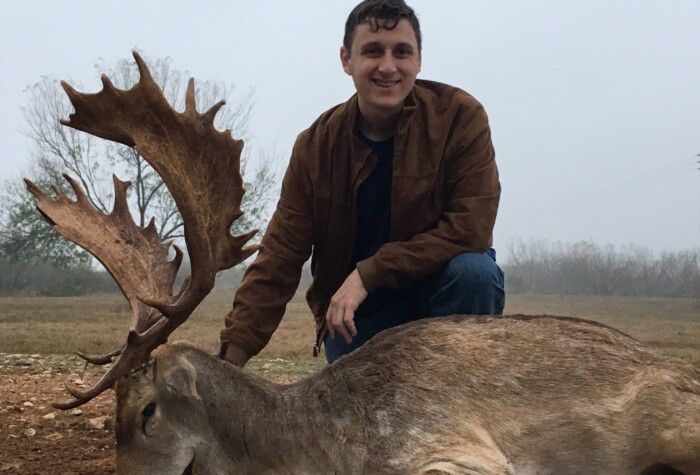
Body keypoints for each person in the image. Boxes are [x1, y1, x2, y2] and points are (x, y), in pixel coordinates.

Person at [220, 0, 504, 366]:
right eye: (372, 51)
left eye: (401, 52)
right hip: (356, 317)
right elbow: (279, 259)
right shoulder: (314, 147)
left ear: (418, 60)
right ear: (346, 60)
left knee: (475, 273)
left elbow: (471, 230)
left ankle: (465, 392)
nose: (388, 67)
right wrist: (229, 360)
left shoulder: (461, 118)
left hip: (441, 301)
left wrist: (368, 274)